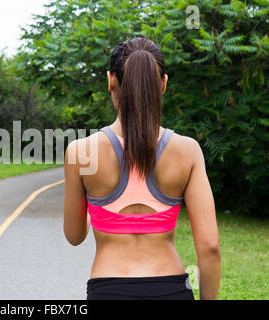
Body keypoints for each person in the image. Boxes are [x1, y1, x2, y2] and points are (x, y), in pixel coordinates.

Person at [63, 37, 221, 300]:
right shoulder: (188, 151)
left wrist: (97, 207)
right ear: (163, 84)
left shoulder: (81, 152)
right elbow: (210, 247)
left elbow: (74, 235)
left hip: (109, 290)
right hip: (172, 290)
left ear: (110, 80)